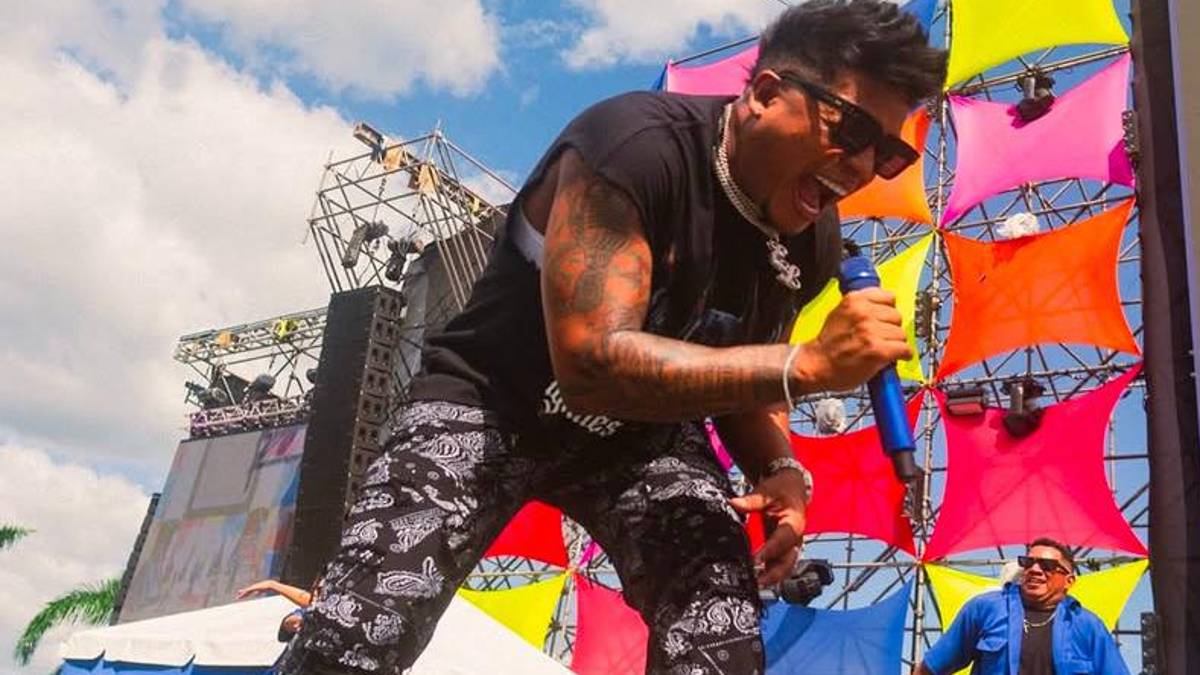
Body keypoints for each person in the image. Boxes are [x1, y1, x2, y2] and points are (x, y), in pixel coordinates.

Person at [279, 1, 946, 673]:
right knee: (361, 631)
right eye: (853, 129)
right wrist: (807, 364)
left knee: (720, 634)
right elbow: (593, 364)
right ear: (767, 94)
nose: (863, 165)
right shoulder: (636, 147)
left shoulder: (809, 239)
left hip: (645, 438)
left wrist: (779, 469)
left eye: (888, 153)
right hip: (492, 402)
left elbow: (749, 378)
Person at [915, 539, 1131, 675]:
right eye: (1028, 562)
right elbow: (930, 668)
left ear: (1069, 581)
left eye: (1047, 566)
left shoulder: (1088, 626)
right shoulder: (985, 609)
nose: (1035, 569)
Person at [236, 579, 318, 643]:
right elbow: (309, 601)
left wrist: (272, 585)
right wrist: (271, 585)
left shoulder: (316, 608)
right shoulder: (313, 606)